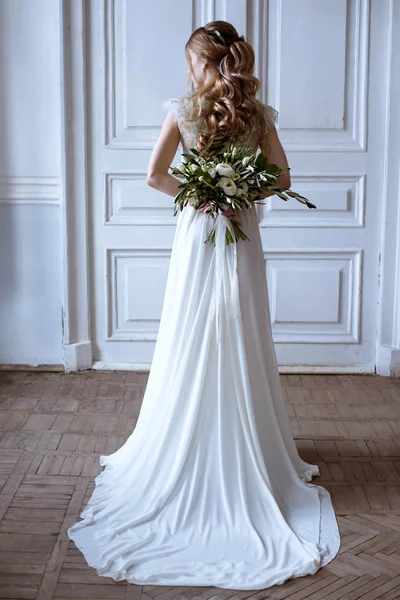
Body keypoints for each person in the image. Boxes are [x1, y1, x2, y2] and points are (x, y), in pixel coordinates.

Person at [67, 20, 341, 590]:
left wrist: (202, 193)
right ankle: (246, 445)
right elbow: (284, 176)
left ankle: (196, 437)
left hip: (199, 232)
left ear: (201, 61)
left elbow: (153, 176)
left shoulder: (182, 109)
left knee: (196, 328)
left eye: (190, 60)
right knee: (236, 328)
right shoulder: (258, 115)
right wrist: (237, 192)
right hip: (238, 232)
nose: (187, 69)